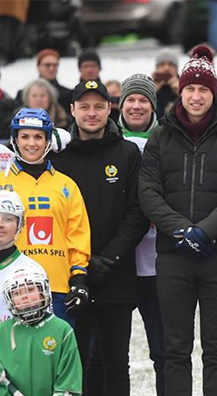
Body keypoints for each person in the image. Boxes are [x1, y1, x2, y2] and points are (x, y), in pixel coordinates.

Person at [139, 45, 217, 396]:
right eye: (190, 88)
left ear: (213, 92)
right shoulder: (161, 134)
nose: (196, 96)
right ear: (180, 91)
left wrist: (205, 231)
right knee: (176, 348)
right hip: (173, 256)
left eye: (203, 89)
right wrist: (181, 230)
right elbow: (148, 192)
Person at [49, 80, 148, 396]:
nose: (92, 113)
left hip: (115, 275)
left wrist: (109, 258)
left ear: (110, 109)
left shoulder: (127, 152)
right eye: (85, 106)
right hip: (71, 277)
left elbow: (138, 214)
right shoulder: (60, 157)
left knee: (116, 361)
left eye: (99, 106)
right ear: (72, 110)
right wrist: (79, 264)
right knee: (75, 361)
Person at [1, 107, 91, 326]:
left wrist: (79, 278)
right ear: (15, 140)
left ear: (48, 140)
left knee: (54, 357)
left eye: (38, 137)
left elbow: (77, 235)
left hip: (56, 287)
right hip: (9, 287)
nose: (32, 143)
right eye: (25, 136)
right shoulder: (2, 182)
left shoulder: (66, 185)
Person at [118, 73, 165, 396]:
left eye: (143, 100)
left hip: (158, 265)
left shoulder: (165, 140)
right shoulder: (106, 142)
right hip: (118, 264)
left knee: (164, 351)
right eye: (130, 100)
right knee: (107, 353)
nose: (136, 106)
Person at [0, 266, 82, 396]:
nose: (24, 297)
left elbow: (69, 381)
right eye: (16, 293)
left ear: (42, 291)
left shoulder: (62, 330)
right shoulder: (2, 331)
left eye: (30, 289)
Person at [0, 190, 47, 322]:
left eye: (8, 219)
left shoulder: (32, 270)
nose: (1, 224)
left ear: (19, 225)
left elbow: (42, 326)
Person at [15, 48, 73, 115]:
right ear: (38, 67)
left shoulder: (67, 95)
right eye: (47, 65)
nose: (52, 68)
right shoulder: (22, 94)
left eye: (55, 65)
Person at [153, 49, 180, 118]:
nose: (166, 68)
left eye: (171, 64)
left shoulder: (186, 87)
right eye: (162, 64)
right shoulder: (149, 87)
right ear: (156, 68)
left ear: (176, 68)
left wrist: (180, 93)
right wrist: (152, 93)